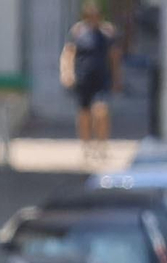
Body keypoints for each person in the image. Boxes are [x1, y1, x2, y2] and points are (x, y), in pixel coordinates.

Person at [60, 0, 123, 164]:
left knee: (101, 111)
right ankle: (86, 145)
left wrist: (117, 78)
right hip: (83, 78)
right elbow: (69, 53)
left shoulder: (107, 33)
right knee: (84, 114)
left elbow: (114, 57)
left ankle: (102, 144)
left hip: (101, 78)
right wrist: (67, 73)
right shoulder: (78, 32)